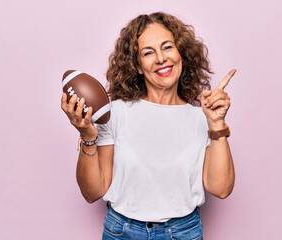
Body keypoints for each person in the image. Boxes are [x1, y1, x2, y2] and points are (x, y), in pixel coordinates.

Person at [61, 12, 236, 240]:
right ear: (138, 66)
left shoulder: (201, 118)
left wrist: (217, 124)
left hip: (183, 232)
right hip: (122, 231)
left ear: (181, 53)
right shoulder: (116, 114)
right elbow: (92, 192)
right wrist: (87, 135)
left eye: (167, 47)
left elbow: (221, 188)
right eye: (148, 52)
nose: (161, 58)